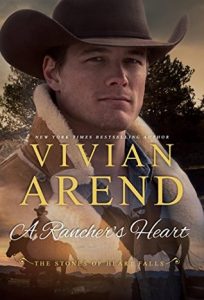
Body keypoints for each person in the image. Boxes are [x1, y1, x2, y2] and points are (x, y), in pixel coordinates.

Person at [0, 0, 203, 299]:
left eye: (133, 60)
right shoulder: (9, 187)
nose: (120, 77)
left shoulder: (172, 190)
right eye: (96, 58)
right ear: (53, 73)